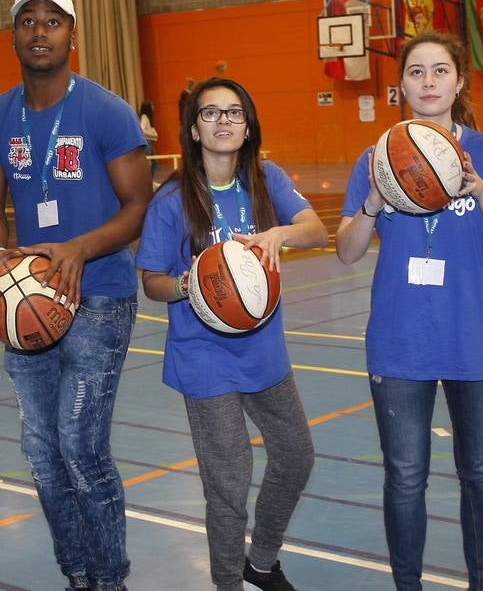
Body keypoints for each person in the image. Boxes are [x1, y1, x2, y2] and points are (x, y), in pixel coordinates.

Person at [0, 0, 152, 591]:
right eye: (28, 20)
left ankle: (110, 579)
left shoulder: (106, 110)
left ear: (73, 33)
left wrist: (78, 248)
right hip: (30, 301)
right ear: (13, 33)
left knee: (80, 447)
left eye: (53, 20)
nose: (40, 30)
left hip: (99, 294)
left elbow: (137, 207)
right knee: (44, 458)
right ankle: (77, 573)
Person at [335, 30, 483, 591]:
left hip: (478, 337)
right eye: (416, 72)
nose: (428, 82)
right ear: (400, 85)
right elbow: (346, 252)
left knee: (482, 476)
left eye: (440, 70)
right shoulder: (375, 158)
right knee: (404, 477)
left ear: (459, 81)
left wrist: (479, 186)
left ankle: (481, 585)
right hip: (400, 340)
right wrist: (373, 199)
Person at [137, 78, 326, 591]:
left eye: (234, 113)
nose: (223, 121)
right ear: (194, 129)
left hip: (265, 351)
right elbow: (152, 282)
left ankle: (261, 561)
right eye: (210, 113)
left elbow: (317, 229)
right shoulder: (172, 199)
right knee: (229, 483)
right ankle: (227, 584)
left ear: (248, 127)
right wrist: (190, 282)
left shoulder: (266, 181)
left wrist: (279, 233)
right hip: (204, 357)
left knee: (296, 456)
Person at [138, 101, 159, 181]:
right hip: (147, 142)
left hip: (149, 142)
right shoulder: (144, 117)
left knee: (154, 162)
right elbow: (142, 129)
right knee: (151, 162)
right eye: (151, 105)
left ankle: (151, 180)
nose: (153, 107)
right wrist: (152, 134)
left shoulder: (147, 117)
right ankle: (149, 181)